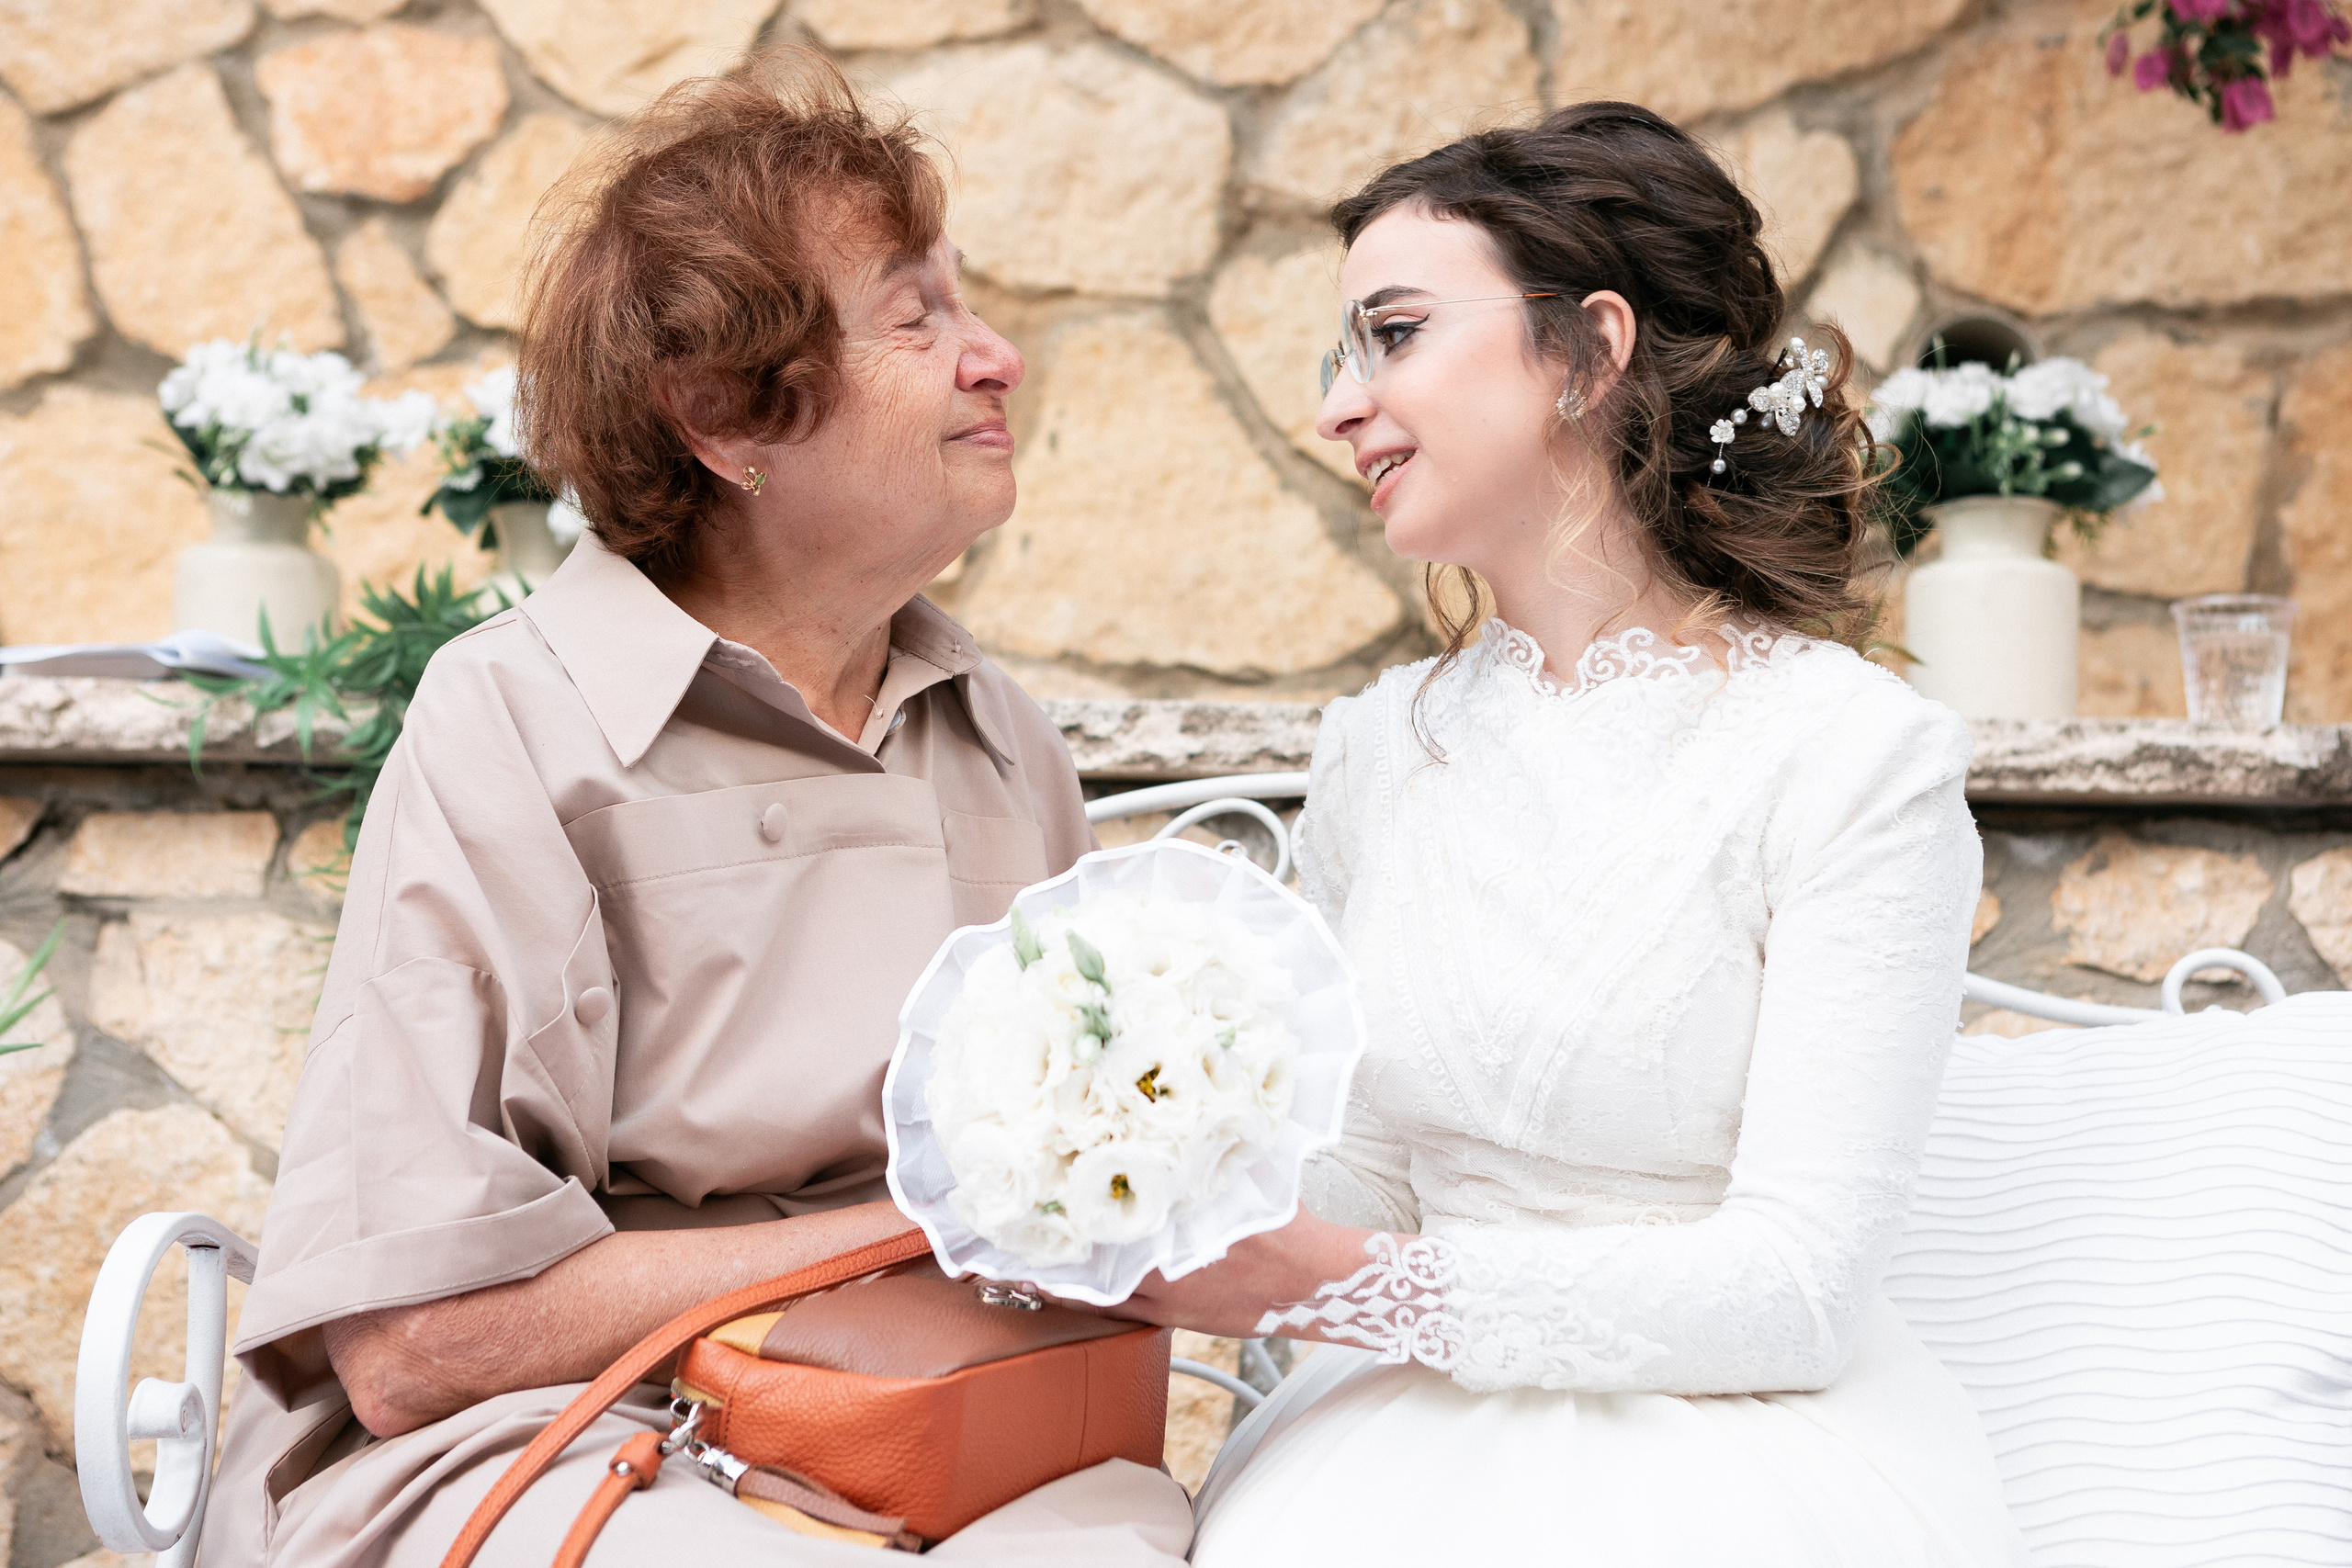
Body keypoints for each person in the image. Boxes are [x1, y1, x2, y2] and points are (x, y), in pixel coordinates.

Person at [198, 55, 1192, 1567]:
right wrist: (941, 1222)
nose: (993, 356)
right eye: (916, 315)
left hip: (939, 1418)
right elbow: (412, 1354)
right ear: (727, 417)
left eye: (967, 305)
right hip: (569, 1433)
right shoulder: (516, 724)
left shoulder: (993, 732)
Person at [1116, 105, 2031, 1565]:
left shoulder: (1851, 759)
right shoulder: (1376, 748)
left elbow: (1800, 1289)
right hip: (1384, 1448)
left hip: (1733, 1452)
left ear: (1592, 350)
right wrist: (1149, 1151)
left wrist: (1352, 1291)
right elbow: (1369, 1171)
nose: (1339, 407)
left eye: (1394, 332)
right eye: (1342, 353)